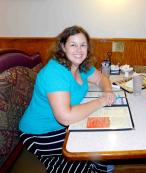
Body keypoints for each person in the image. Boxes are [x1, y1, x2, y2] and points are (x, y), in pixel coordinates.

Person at [19, 25, 115, 173]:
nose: (79, 50)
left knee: (98, 136)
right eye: (73, 45)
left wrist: (108, 90)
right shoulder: (54, 72)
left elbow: (101, 78)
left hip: (65, 126)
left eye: (83, 45)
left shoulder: (82, 65)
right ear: (63, 47)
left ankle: (97, 166)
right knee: (95, 142)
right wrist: (101, 101)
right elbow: (65, 117)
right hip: (39, 133)